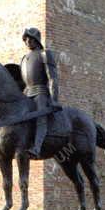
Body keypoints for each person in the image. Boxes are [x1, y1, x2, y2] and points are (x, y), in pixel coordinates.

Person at [20, 27, 59, 158]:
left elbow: (52, 78)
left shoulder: (44, 54)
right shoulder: (24, 58)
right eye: (25, 39)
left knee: (40, 119)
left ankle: (36, 148)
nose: (27, 42)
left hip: (40, 92)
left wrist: (54, 99)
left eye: (30, 39)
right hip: (26, 94)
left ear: (36, 40)